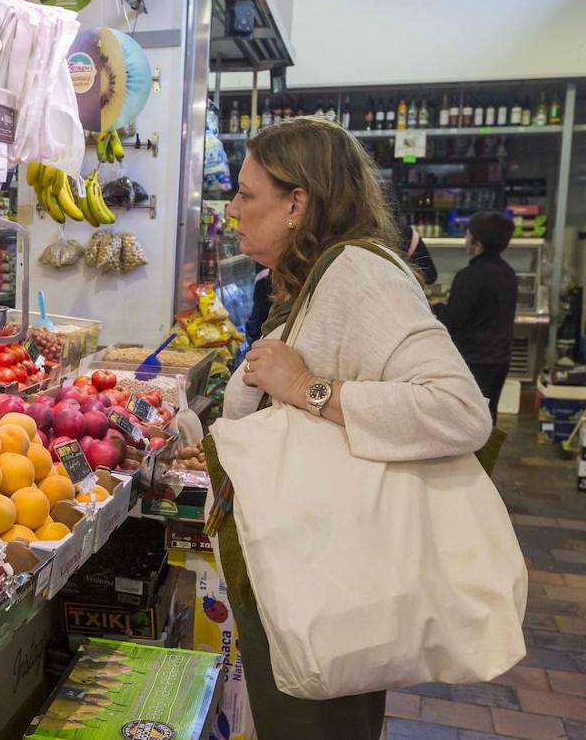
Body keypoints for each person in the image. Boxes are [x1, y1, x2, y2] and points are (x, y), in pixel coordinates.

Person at [221, 116, 492, 740]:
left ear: (297, 203)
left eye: (246, 193)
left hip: (324, 584)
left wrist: (307, 389)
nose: (232, 210)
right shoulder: (316, 278)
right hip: (303, 575)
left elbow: (458, 409)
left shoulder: (358, 275)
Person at [433, 211, 518, 423]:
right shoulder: (508, 272)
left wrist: (436, 307)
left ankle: (473, 457)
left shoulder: (470, 275)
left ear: (477, 242)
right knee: (488, 416)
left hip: (474, 359)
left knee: (466, 420)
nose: (466, 238)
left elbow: (454, 319)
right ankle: (487, 456)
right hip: (500, 358)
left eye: (468, 234)